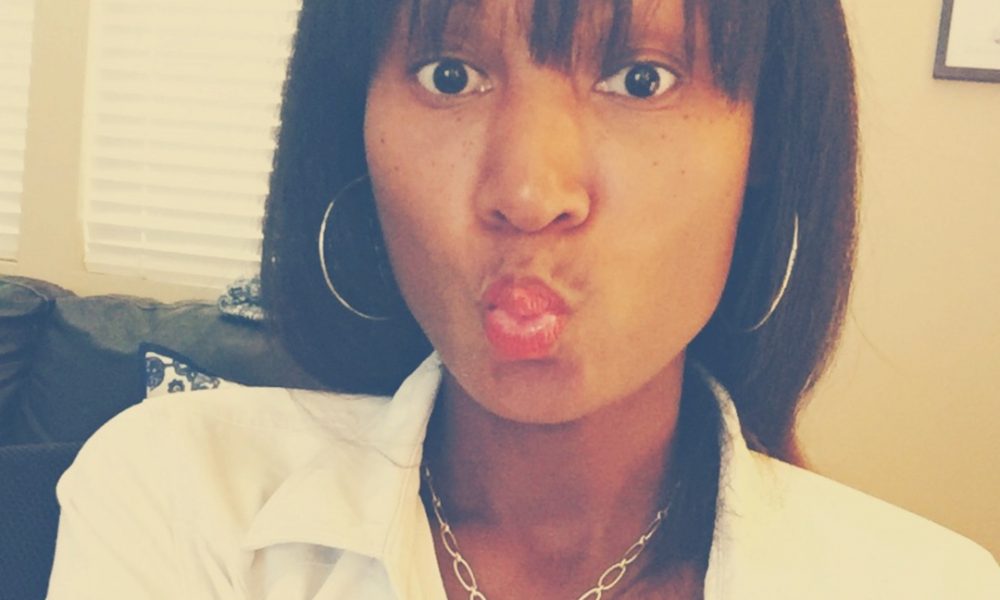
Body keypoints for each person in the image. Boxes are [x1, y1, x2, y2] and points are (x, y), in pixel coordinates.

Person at [48, 0, 1000, 598]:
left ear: (769, 148)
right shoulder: (182, 501)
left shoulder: (928, 585)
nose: (529, 193)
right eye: (449, 74)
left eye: (640, 78)